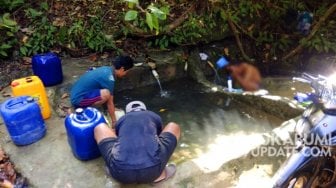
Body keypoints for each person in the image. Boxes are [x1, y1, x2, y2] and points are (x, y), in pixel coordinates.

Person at [94, 101, 181, 184]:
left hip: (120, 173)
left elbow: (117, 137)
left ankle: (112, 168)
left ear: (127, 113)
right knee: (173, 126)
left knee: (100, 128)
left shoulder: (121, 119)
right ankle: (160, 175)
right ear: (145, 110)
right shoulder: (153, 116)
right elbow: (159, 134)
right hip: (153, 172)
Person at [70, 56, 134, 126]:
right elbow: (110, 103)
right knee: (106, 94)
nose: (126, 74)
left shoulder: (106, 69)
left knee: (106, 94)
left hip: (75, 93)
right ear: (122, 69)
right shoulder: (109, 78)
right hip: (78, 100)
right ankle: (84, 109)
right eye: (127, 72)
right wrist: (114, 122)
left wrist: (113, 108)